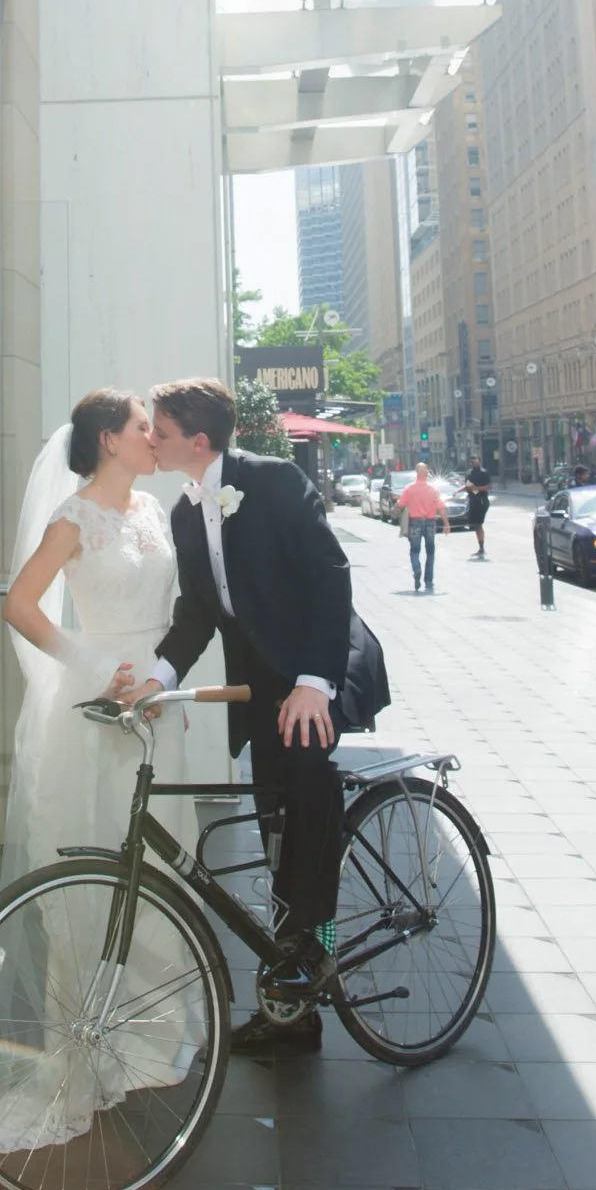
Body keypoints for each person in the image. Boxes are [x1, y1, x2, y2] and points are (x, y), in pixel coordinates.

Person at [0, 391, 196, 1156]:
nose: (152, 438)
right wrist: (94, 667)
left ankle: (148, 1030)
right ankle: (80, 1044)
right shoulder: (76, 517)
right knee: (94, 872)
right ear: (106, 440)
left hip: (160, 704)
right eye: (139, 430)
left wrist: (160, 675)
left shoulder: (154, 511)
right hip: (99, 712)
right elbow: (20, 605)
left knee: (159, 863)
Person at [133, 377, 390, 1059]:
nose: (149, 441)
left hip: (318, 663)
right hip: (262, 683)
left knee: (306, 804)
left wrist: (314, 683)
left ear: (198, 439)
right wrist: (157, 680)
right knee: (276, 827)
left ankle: (312, 956)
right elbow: (196, 614)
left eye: (156, 430)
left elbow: (328, 578)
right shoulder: (187, 513)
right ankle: (292, 1012)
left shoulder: (270, 480)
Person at [395, 462, 451, 593]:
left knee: (415, 550)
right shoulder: (433, 489)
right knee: (430, 552)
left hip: (415, 522)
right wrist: (446, 524)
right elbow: (440, 507)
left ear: (416, 473)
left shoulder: (409, 488)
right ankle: (429, 581)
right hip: (430, 522)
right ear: (427, 474)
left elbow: (401, 504)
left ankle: (417, 569)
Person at [465, 455, 492, 558]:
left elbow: (488, 486)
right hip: (473, 500)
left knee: (479, 524)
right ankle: (480, 547)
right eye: (472, 462)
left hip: (481, 500)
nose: (473, 463)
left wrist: (476, 488)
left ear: (479, 462)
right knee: (476, 525)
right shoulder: (469, 472)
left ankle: (482, 548)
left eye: (475, 461)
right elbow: (468, 485)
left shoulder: (483, 473)